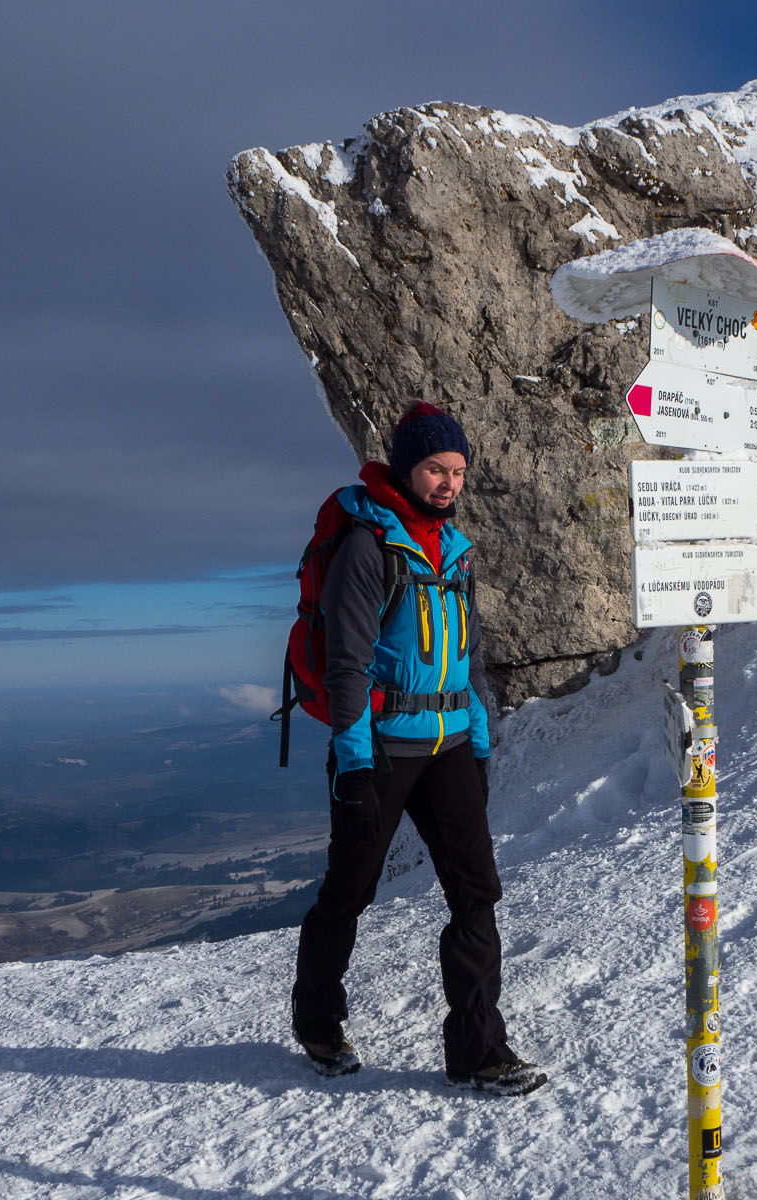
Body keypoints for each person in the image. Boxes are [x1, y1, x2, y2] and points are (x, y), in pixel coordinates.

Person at [291, 402, 546, 1096]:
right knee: (350, 891)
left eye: (458, 471)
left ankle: (479, 1050)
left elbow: (467, 659)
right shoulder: (368, 547)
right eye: (437, 468)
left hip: (451, 745)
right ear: (407, 466)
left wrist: (482, 744)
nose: (448, 483)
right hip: (381, 749)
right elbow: (346, 663)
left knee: (476, 894)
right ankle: (317, 1023)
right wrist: (351, 761)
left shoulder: (454, 553)